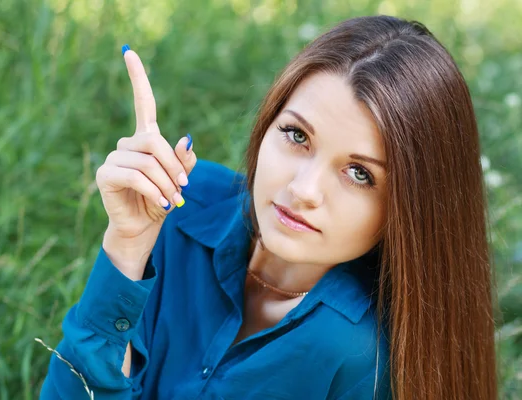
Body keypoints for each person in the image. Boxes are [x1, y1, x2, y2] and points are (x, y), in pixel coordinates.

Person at [39, 15, 497, 399]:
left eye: (360, 174)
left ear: (411, 210)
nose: (304, 190)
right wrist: (127, 247)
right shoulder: (179, 202)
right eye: (297, 136)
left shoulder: (361, 357)